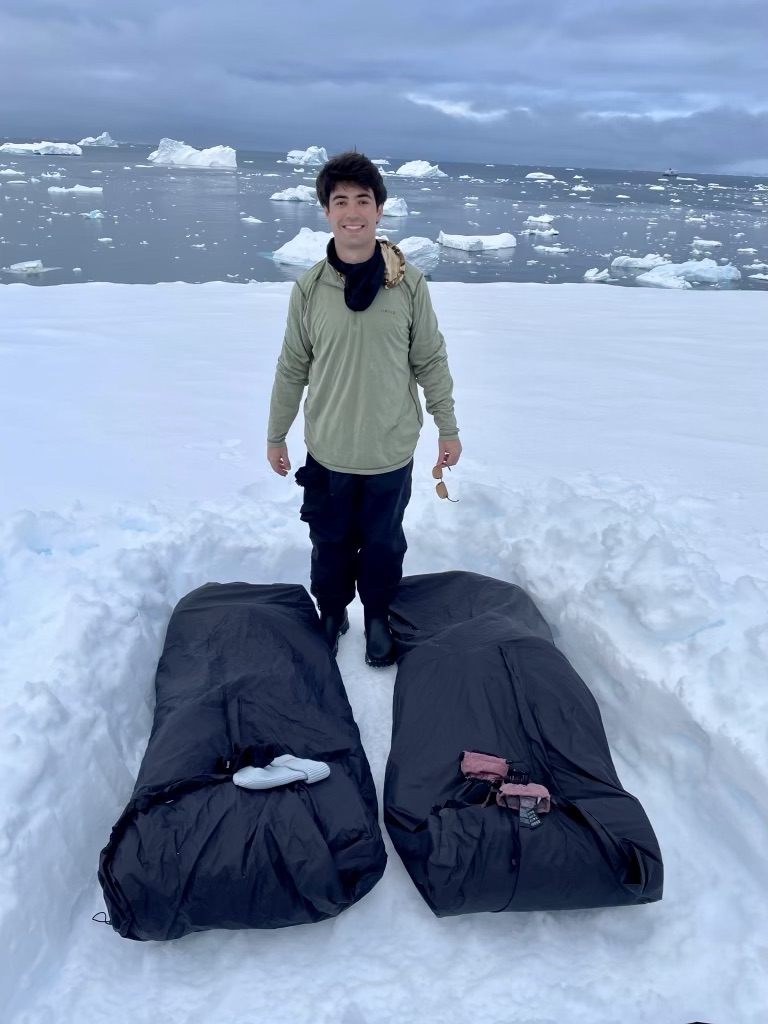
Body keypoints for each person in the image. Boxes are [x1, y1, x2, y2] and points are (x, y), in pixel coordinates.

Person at [267, 151, 461, 667]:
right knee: (328, 544)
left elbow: (430, 360)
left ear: (379, 210)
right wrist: (275, 434)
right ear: (326, 212)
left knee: (383, 544)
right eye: (340, 201)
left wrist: (448, 427)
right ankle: (332, 613)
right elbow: (292, 367)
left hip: (389, 450)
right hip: (329, 451)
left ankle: (377, 615)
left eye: (363, 200)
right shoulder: (309, 289)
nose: (352, 211)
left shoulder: (409, 284)